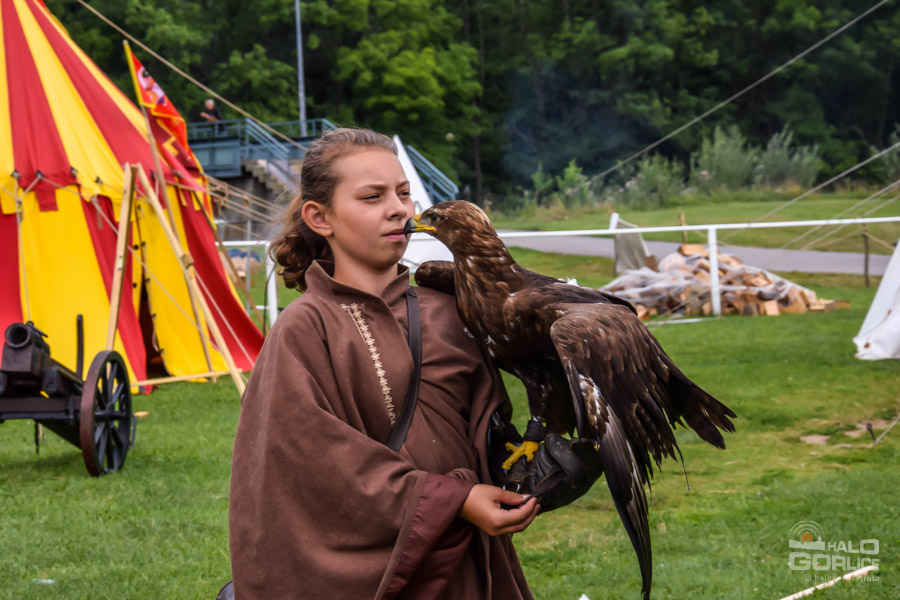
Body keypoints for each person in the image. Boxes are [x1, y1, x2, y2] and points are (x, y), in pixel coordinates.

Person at [228, 128, 538, 598]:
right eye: (372, 197)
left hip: (465, 563)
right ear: (319, 217)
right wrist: (453, 500)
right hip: (380, 570)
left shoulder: (450, 309)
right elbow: (314, 464)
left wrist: (534, 465)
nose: (398, 209)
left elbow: (488, 429)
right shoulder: (305, 328)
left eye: (404, 193)